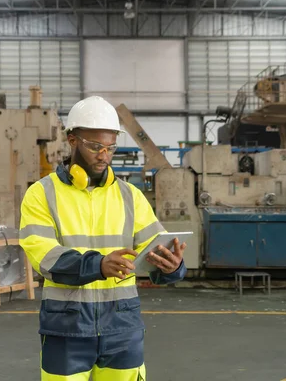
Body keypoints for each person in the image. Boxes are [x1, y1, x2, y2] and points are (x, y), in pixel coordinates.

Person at [19, 96, 187, 381]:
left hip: (122, 327)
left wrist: (172, 267)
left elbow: (154, 250)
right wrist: (98, 266)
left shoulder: (129, 196)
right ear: (72, 140)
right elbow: (43, 256)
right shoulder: (42, 194)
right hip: (67, 328)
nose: (104, 155)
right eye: (95, 146)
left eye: (110, 148)